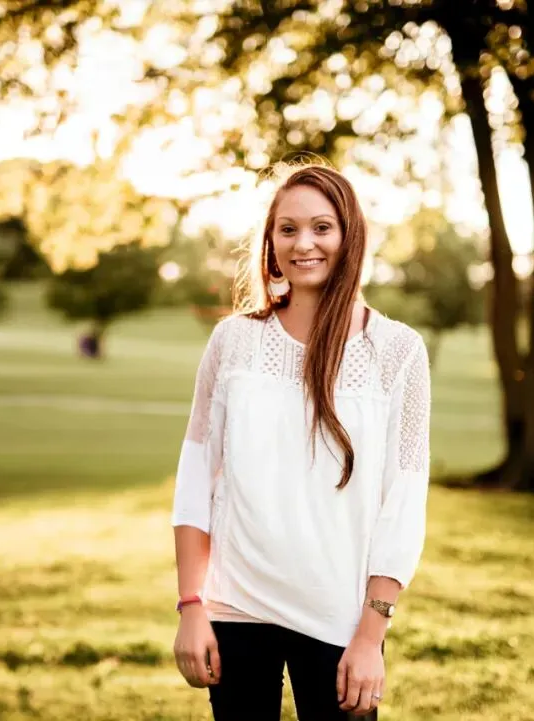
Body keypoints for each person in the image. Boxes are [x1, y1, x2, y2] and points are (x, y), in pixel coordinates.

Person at [170, 164, 432, 720]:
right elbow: (195, 479)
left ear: (349, 235)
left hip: (340, 621)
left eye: (321, 227)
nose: (303, 243)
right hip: (235, 610)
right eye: (287, 229)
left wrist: (371, 635)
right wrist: (191, 605)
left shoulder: (397, 351)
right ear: (270, 241)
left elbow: (403, 504)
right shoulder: (233, 341)